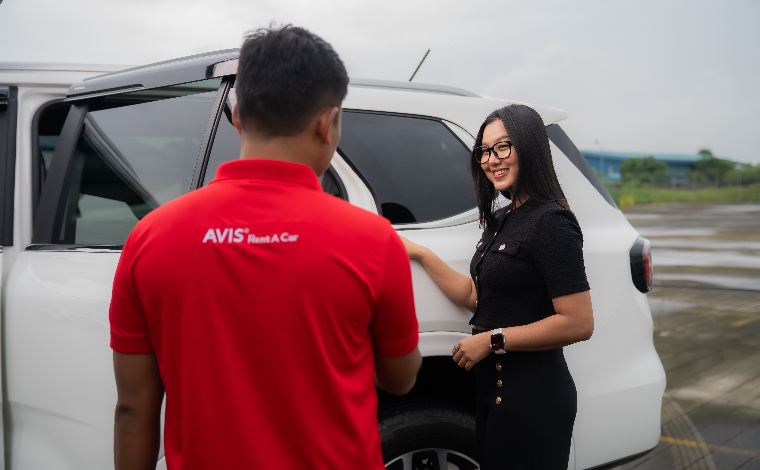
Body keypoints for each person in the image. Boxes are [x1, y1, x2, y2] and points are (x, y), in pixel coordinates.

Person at [110, 25, 422, 470]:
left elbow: (133, 407)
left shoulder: (150, 237)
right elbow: (400, 379)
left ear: (237, 116)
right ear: (328, 123)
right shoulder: (374, 240)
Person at [400, 104, 594, 469]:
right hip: (495, 391)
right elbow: (477, 297)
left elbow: (578, 322)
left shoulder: (552, 222)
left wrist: (491, 341)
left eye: (503, 146)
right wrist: (423, 254)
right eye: (485, 151)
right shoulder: (503, 218)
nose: (491, 160)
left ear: (529, 146)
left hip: (534, 396)